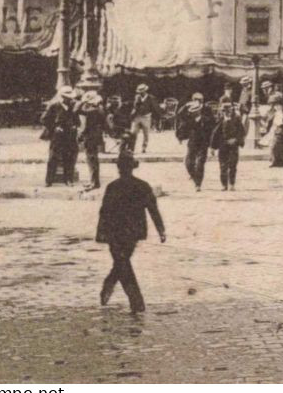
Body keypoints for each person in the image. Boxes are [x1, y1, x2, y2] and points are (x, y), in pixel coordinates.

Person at [96, 152, 166, 314]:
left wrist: (101, 234)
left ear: (119, 168)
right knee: (123, 262)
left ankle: (112, 285)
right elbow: (153, 210)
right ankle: (135, 301)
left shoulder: (113, 186)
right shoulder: (142, 186)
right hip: (132, 233)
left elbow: (104, 213)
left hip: (115, 233)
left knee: (122, 263)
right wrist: (160, 230)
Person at [175, 93, 216, 190]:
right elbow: (180, 118)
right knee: (188, 163)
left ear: (199, 111)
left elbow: (213, 129)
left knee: (200, 163)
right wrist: (180, 137)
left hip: (203, 143)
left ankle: (198, 183)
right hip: (192, 143)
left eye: (195, 111)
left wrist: (212, 144)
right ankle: (194, 177)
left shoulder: (206, 118)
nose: (193, 113)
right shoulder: (189, 118)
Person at [42, 87, 80, 187]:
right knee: (53, 157)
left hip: (70, 135)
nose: (69, 100)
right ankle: (49, 180)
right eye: (67, 98)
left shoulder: (73, 106)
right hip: (57, 136)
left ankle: (68, 179)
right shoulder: (54, 105)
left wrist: (75, 125)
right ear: (62, 97)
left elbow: (77, 120)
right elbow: (44, 119)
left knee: (69, 157)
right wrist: (54, 128)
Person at [210, 101, 246, 191]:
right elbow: (215, 133)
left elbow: (242, 132)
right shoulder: (220, 120)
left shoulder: (237, 119)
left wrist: (236, 140)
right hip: (223, 146)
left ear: (232, 110)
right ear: (222, 111)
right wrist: (213, 147)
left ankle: (232, 184)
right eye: (225, 110)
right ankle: (224, 184)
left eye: (229, 110)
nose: (227, 112)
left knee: (233, 165)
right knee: (223, 166)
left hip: (233, 146)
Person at [78, 86, 107, 190]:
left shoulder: (91, 111)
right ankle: (94, 181)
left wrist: (83, 101)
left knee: (91, 160)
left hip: (90, 137)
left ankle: (94, 182)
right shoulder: (99, 109)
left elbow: (76, 110)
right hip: (96, 136)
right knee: (93, 160)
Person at [128, 84, 156, 153]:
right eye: (139, 92)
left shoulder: (151, 98)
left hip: (146, 117)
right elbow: (135, 106)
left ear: (145, 91)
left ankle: (144, 148)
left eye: (142, 91)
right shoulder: (137, 97)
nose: (140, 93)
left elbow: (154, 108)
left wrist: (153, 117)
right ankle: (131, 148)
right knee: (133, 133)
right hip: (137, 116)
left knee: (146, 133)